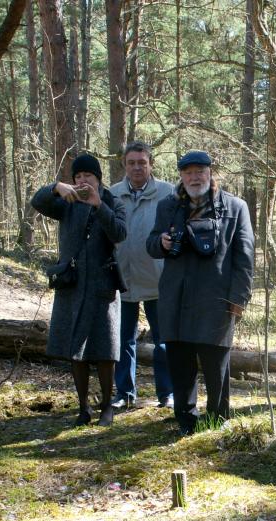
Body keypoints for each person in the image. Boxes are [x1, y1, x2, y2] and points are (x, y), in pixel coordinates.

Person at [146, 151, 254, 436]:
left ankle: (218, 419)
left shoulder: (234, 207)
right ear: (181, 175)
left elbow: (245, 258)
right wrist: (162, 243)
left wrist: (239, 299)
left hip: (217, 299)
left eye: (200, 171)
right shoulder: (167, 206)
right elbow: (151, 243)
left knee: (216, 365)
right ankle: (186, 420)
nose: (195, 177)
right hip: (176, 298)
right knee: (180, 364)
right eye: (188, 172)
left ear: (210, 173)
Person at [31, 154, 128, 425]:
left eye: (88, 176)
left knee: (105, 349)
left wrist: (99, 206)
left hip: (103, 285)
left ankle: (108, 406)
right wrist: (55, 187)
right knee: (77, 349)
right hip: (72, 284)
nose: (83, 181)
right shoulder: (66, 203)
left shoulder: (111, 201)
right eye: (78, 177)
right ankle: (83, 407)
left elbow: (120, 233)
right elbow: (37, 202)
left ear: (98, 178)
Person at [108, 141, 175, 410]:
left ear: (151, 164)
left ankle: (167, 393)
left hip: (159, 281)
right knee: (122, 341)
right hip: (121, 281)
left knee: (164, 342)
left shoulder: (169, 193)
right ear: (124, 165)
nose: (137, 167)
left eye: (142, 162)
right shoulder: (111, 195)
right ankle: (124, 393)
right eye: (132, 163)